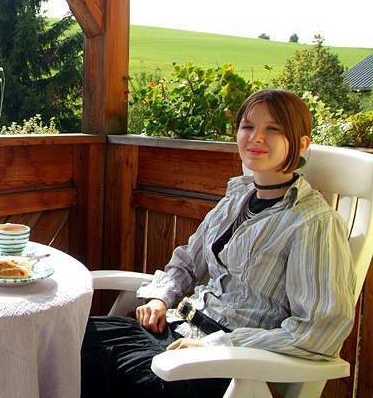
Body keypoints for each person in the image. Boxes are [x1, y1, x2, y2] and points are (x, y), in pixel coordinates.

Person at [81, 89, 356, 398]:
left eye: (273, 129)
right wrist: (159, 299)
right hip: (177, 329)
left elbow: (319, 331)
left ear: (302, 144)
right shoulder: (237, 198)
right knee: (71, 341)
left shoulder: (312, 222)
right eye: (248, 126)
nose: (256, 137)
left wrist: (212, 347)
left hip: (226, 363)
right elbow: (186, 262)